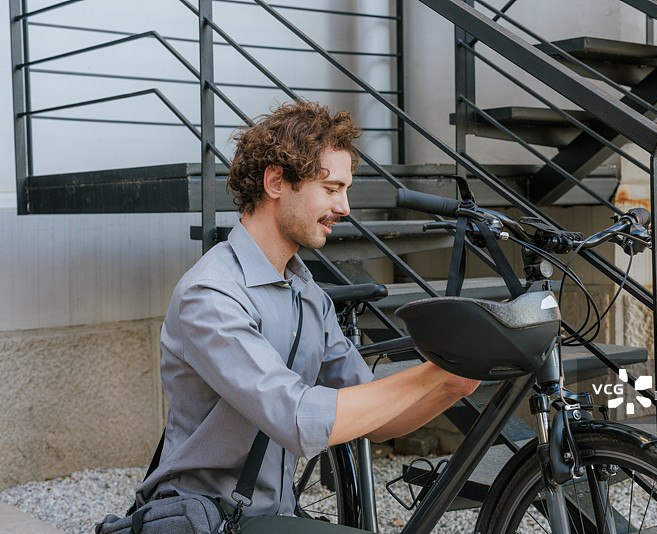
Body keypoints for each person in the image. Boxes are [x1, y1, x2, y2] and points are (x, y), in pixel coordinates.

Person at [134, 100, 480, 523]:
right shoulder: (211, 294)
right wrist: (429, 373)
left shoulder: (307, 292)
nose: (345, 207)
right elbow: (297, 418)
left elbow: (373, 420)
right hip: (205, 520)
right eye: (332, 189)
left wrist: (452, 383)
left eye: (345, 190)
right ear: (276, 182)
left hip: (272, 517)